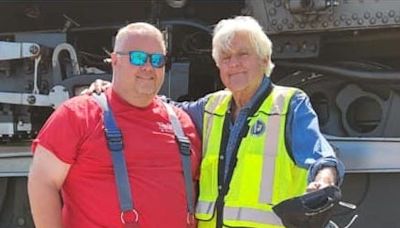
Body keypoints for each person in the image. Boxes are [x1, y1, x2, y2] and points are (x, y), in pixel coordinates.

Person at [86, 16, 345, 228]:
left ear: (264, 60)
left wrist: (324, 180)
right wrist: (116, 88)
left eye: (243, 55)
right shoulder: (211, 107)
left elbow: (319, 155)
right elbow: (163, 107)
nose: (234, 64)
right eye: (226, 58)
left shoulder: (289, 104)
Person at [28, 22, 201, 228]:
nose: (148, 67)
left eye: (157, 60)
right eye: (138, 58)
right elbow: (43, 181)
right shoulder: (78, 115)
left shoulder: (182, 123)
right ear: (115, 61)